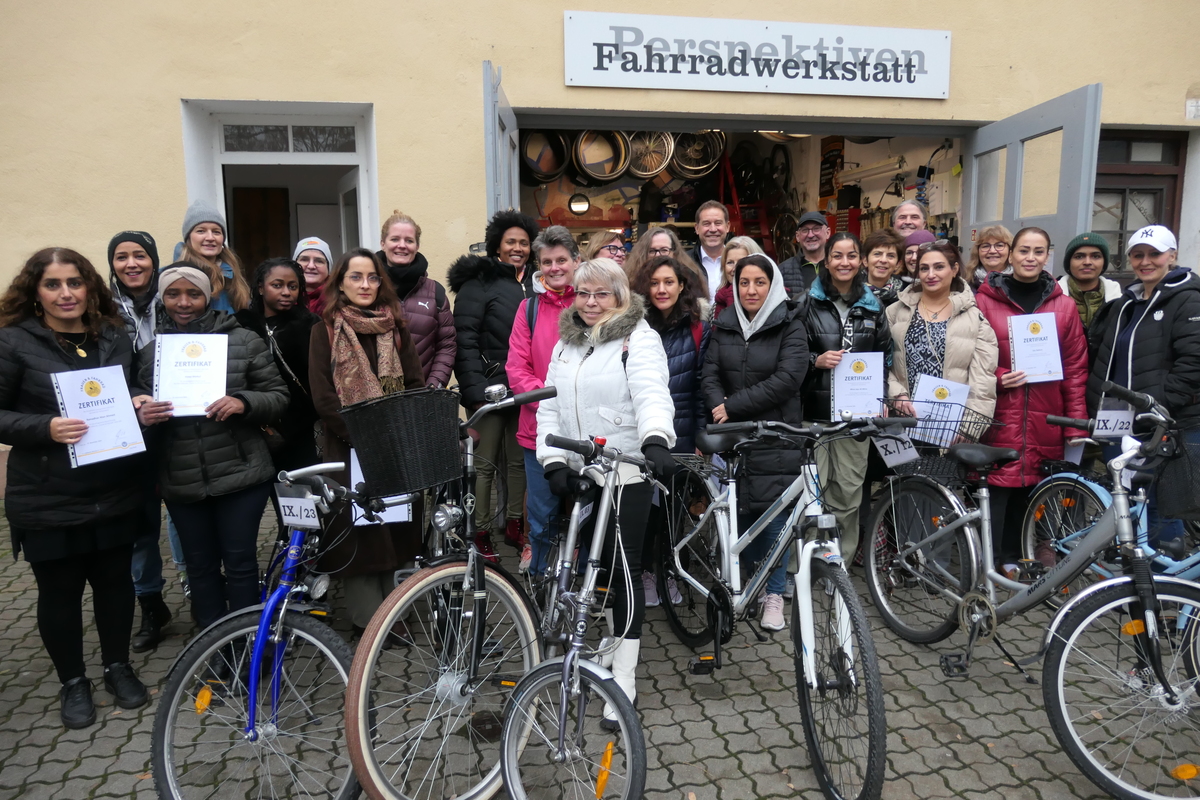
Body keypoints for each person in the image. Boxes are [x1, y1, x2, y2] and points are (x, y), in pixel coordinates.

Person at [0, 248, 149, 728]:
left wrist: (138, 404)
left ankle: (117, 666)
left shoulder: (113, 336)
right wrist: (45, 427)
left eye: (75, 283)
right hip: (48, 492)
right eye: (53, 284)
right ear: (36, 292)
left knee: (114, 584)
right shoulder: (13, 342)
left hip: (113, 484)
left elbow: (126, 391)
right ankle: (72, 681)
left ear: (90, 287)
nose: (66, 293)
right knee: (59, 592)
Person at [537, 257, 676, 730]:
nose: (591, 303)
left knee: (624, 571)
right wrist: (553, 461)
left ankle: (623, 681)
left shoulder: (638, 338)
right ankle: (599, 649)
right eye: (583, 294)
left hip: (625, 470)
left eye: (601, 293)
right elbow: (548, 407)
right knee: (590, 569)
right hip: (580, 470)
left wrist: (656, 437)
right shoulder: (565, 345)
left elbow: (652, 392)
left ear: (619, 295)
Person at [136, 265, 289, 633]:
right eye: (173, 294)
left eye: (193, 294)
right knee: (200, 567)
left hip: (241, 474)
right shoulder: (152, 351)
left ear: (207, 296)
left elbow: (279, 396)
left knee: (239, 563)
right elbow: (136, 400)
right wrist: (142, 409)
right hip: (182, 478)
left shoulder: (242, 339)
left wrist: (242, 402)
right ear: (163, 298)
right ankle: (212, 645)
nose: (183, 302)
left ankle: (247, 644)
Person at [309, 249, 425, 635]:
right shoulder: (325, 328)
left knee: (395, 526)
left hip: (396, 445)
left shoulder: (397, 326)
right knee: (359, 531)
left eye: (372, 277)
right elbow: (324, 397)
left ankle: (395, 615)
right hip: (348, 446)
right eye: (355, 277)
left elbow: (413, 385)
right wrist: (362, 436)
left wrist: (398, 432)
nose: (365, 285)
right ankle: (367, 620)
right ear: (340, 282)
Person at [702, 254, 809, 631]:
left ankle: (774, 595)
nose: (751, 290)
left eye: (759, 282)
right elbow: (710, 371)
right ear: (734, 286)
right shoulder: (724, 324)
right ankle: (747, 585)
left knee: (773, 520)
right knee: (741, 515)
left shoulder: (791, 323)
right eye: (744, 282)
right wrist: (718, 404)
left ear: (773, 284)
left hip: (774, 436)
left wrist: (732, 406)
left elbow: (788, 378)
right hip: (733, 437)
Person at [975, 228, 1089, 573]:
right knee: (997, 489)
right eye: (1023, 250)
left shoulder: (1064, 306)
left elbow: (1075, 368)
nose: (1030, 258)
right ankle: (988, 563)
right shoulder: (983, 300)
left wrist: (1075, 425)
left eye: (1038, 251)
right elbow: (969, 359)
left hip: (1045, 414)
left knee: (1030, 490)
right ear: (1010, 254)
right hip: (1000, 410)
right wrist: (997, 379)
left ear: (1047, 256)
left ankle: (1016, 558)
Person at [1087, 225, 1200, 543]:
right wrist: (1095, 405)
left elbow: (1193, 363)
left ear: (1172, 256)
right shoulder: (1127, 302)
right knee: (1125, 502)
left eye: (1154, 254)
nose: (1145, 261)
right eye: (1138, 255)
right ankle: (1134, 577)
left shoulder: (1188, 300)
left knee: (1162, 506)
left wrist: (1160, 406)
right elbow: (1106, 358)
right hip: (1117, 417)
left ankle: (1163, 582)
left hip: (1163, 421)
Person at [448, 210, 539, 560]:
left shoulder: (535, 283)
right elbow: (464, 338)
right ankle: (480, 530)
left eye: (524, 243)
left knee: (519, 461)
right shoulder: (479, 283)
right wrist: (472, 390)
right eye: (510, 242)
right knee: (484, 463)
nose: (518, 248)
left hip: (526, 386)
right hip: (490, 387)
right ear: (497, 246)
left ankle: (515, 524)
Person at [108, 231, 180, 653]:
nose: (132, 263)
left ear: (153, 261)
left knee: (184, 518)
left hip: (177, 425)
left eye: (140, 255)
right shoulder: (102, 313)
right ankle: (151, 604)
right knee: (140, 526)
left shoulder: (174, 300)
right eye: (122, 257)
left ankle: (195, 588)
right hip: (127, 429)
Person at [801, 233, 893, 564]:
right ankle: (806, 562)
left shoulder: (872, 306)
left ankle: (836, 562)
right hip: (814, 414)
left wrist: (880, 396)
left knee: (849, 494)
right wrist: (816, 360)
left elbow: (886, 357)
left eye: (851, 256)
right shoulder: (807, 303)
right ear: (826, 262)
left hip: (855, 417)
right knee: (811, 494)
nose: (844, 262)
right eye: (837, 256)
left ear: (860, 261)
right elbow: (793, 353)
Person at [630, 254, 710, 606]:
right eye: (655, 283)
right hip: (640, 435)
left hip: (682, 435)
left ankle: (670, 572)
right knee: (642, 513)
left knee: (672, 513)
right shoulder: (632, 324)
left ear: (682, 287)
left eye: (669, 282)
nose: (662, 289)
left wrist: (700, 439)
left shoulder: (697, 326)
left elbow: (702, 386)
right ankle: (645, 576)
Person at [506, 225, 578, 574]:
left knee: (585, 511)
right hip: (538, 429)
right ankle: (540, 583)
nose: (554, 268)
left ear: (576, 261)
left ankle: (580, 581)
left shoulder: (591, 302)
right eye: (547, 261)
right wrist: (553, 403)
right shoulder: (528, 309)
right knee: (542, 513)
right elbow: (517, 368)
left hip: (587, 429)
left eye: (561, 259)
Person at [886, 241, 998, 420]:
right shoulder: (895, 312)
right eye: (924, 268)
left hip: (950, 423)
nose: (931, 275)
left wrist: (970, 425)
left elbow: (983, 381)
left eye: (939, 267)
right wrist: (897, 394)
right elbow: (883, 362)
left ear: (954, 270)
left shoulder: (974, 318)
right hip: (902, 419)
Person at [235, 258, 321, 477]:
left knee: (300, 501)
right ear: (261, 288)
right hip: (253, 429)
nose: (286, 292)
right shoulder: (241, 325)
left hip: (299, 431)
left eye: (293, 287)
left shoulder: (311, 325)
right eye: (277, 285)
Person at [377, 210, 456, 388]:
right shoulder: (369, 289)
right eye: (395, 239)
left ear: (417, 246)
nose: (402, 245)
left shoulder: (435, 292)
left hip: (423, 397)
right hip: (378, 400)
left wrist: (434, 385)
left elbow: (447, 344)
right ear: (383, 243)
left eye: (409, 240)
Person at [175, 200, 252, 313]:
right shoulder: (174, 276)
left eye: (216, 232)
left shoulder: (232, 274)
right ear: (188, 238)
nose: (210, 237)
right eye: (201, 231)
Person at [1057, 233, 1121, 329]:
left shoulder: (1119, 302)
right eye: (1079, 257)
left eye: (1095, 256)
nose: (1087, 262)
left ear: (1104, 262)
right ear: (1069, 263)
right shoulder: (1051, 298)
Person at [625, 226, 707, 299]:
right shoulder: (631, 280)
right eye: (652, 251)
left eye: (664, 250)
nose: (658, 255)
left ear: (674, 253)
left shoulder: (690, 278)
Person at [777, 211, 829, 297]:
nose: (811, 235)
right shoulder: (782, 271)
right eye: (805, 230)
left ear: (827, 233)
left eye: (816, 229)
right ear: (797, 236)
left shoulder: (839, 266)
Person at [689, 200, 731, 300]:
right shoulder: (684, 263)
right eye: (706, 224)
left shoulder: (741, 261)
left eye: (718, 223)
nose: (712, 229)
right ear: (697, 228)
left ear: (727, 226)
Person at [714, 236, 764, 318]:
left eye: (742, 262)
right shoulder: (720, 300)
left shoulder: (773, 299)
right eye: (730, 262)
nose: (735, 269)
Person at [862, 228, 906, 307]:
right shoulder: (850, 291)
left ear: (898, 264)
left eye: (890, 256)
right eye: (877, 254)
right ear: (865, 260)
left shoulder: (905, 296)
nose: (883, 260)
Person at [293, 236, 333, 316]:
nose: (311, 266)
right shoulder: (282, 297)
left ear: (328, 268)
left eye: (319, 261)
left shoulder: (340, 299)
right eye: (304, 259)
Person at [966, 225, 1013, 289]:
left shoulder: (1022, 281)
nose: (992, 251)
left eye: (999, 245)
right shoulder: (965, 283)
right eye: (985, 246)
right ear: (977, 251)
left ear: (1010, 251)